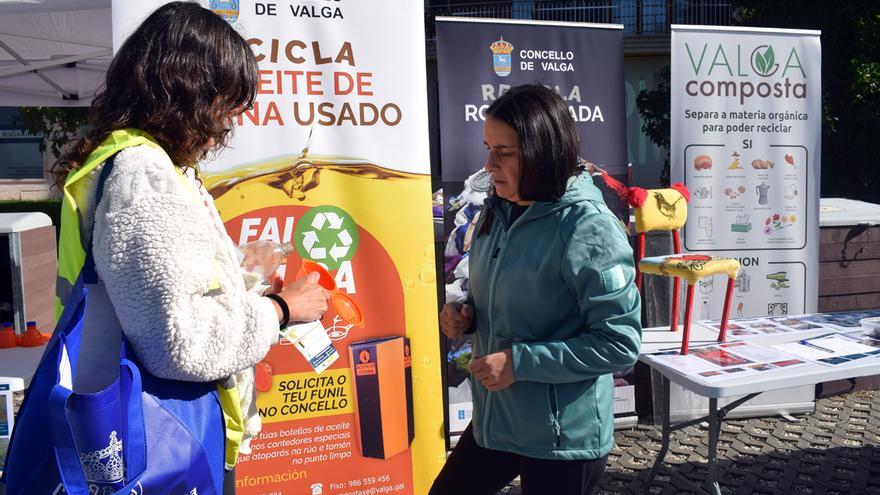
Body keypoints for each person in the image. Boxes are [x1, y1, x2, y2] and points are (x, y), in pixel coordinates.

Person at [51, 2, 328, 492]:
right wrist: (283, 309)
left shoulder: (149, 165)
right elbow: (183, 343)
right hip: (164, 441)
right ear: (187, 90)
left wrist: (242, 273)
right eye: (227, 102)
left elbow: (159, 293)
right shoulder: (144, 175)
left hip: (160, 431)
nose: (229, 123)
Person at [431, 84, 642, 495]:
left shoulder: (588, 227)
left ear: (543, 151)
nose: (489, 164)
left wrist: (518, 363)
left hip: (562, 436)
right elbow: (513, 293)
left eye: (504, 152)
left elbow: (619, 344)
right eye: (488, 147)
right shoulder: (499, 207)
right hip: (499, 418)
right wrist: (468, 313)